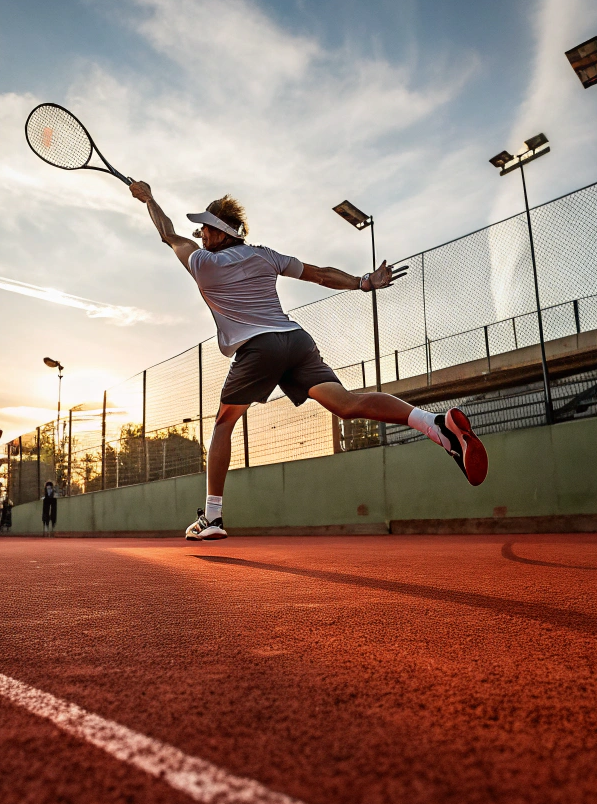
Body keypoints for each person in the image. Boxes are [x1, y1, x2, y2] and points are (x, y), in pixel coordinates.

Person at [128, 182, 488, 541]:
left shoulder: (202, 261)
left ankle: (213, 517)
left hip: (258, 348)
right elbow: (319, 273)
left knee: (223, 424)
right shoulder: (264, 255)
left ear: (221, 232)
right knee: (347, 404)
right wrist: (363, 282)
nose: (200, 233)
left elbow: (167, 234)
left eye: (205, 227)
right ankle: (435, 424)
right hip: (296, 341)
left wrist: (149, 199)